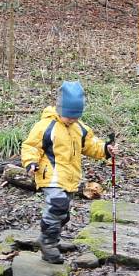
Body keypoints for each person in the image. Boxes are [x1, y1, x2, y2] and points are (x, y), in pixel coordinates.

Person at [21, 81, 117, 264]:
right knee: (57, 205)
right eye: (68, 116)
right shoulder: (45, 126)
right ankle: (48, 244)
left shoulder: (78, 127)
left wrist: (106, 149)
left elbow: (90, 145)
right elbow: (30, 146)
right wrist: (31, 162)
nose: (71, 120)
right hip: (50, 175)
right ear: (59, 109)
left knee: (63, 213)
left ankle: (52, 238)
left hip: (70, 177)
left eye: (75, 116)